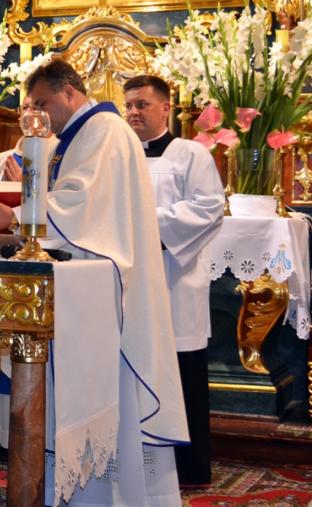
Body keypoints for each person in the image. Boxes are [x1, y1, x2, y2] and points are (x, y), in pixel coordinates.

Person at [0, 58, 188, 505]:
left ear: (70, 92)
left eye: (43, 103)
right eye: (31, 106)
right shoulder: (76, 137)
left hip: (106, 292)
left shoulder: (103, 131)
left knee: (106, 398)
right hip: (85, 287)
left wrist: (16, 216)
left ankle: (111, 496)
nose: (38, 114)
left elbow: (80, 205)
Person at [124, 74, 224, 487]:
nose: (133, 112)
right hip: (128, 281)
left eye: (141, 104)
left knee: (181, 373)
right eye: (128, 105)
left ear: (165, 107)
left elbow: (209, 207)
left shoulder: (190, 154)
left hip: (174, 278)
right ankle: (136, 464)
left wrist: (146, 225)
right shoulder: (119, 156)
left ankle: (186, 469)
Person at [0, 97, 58, 182]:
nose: (30, 113)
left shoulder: (60, 157)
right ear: (20, 117)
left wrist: (26, 184)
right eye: (25, 107)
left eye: (37, 106)